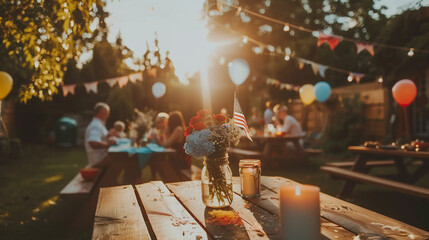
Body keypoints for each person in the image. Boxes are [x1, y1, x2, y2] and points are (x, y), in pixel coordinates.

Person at [85, 102, 117, 167]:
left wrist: (109, 137)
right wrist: (109, 144)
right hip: (99, 161)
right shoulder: (96, 125)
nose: (108, 115)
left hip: (101, 158)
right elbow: (93, 143)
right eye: (107, 112)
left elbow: (101, 138)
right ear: (102, 112)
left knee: (123, 156)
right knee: (124, 157)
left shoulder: (98, 124)